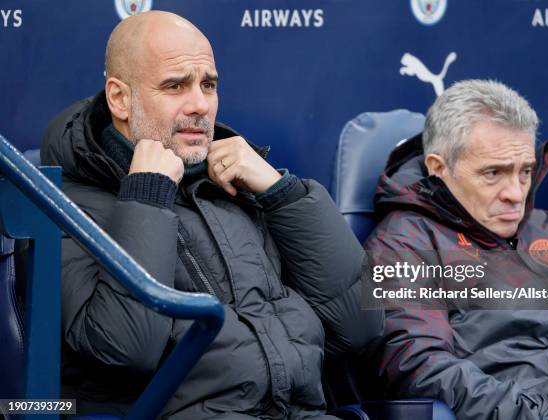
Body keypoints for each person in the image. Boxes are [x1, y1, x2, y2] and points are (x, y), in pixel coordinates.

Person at [41, 11, 382, 419]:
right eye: (175, 86)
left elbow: (360, 326)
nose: (200, 105)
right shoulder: (60, 204)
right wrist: (147, 196)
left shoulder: (236, 186)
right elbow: (125, 349)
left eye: (209, 84)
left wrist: (283, 192)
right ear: (119, 99)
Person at [363, 79, 548, 419]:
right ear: (439, 168)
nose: (515, 193)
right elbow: (420, 370)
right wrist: (535, 414)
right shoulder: (402, 246)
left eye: (525, 171)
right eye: (493, 172)